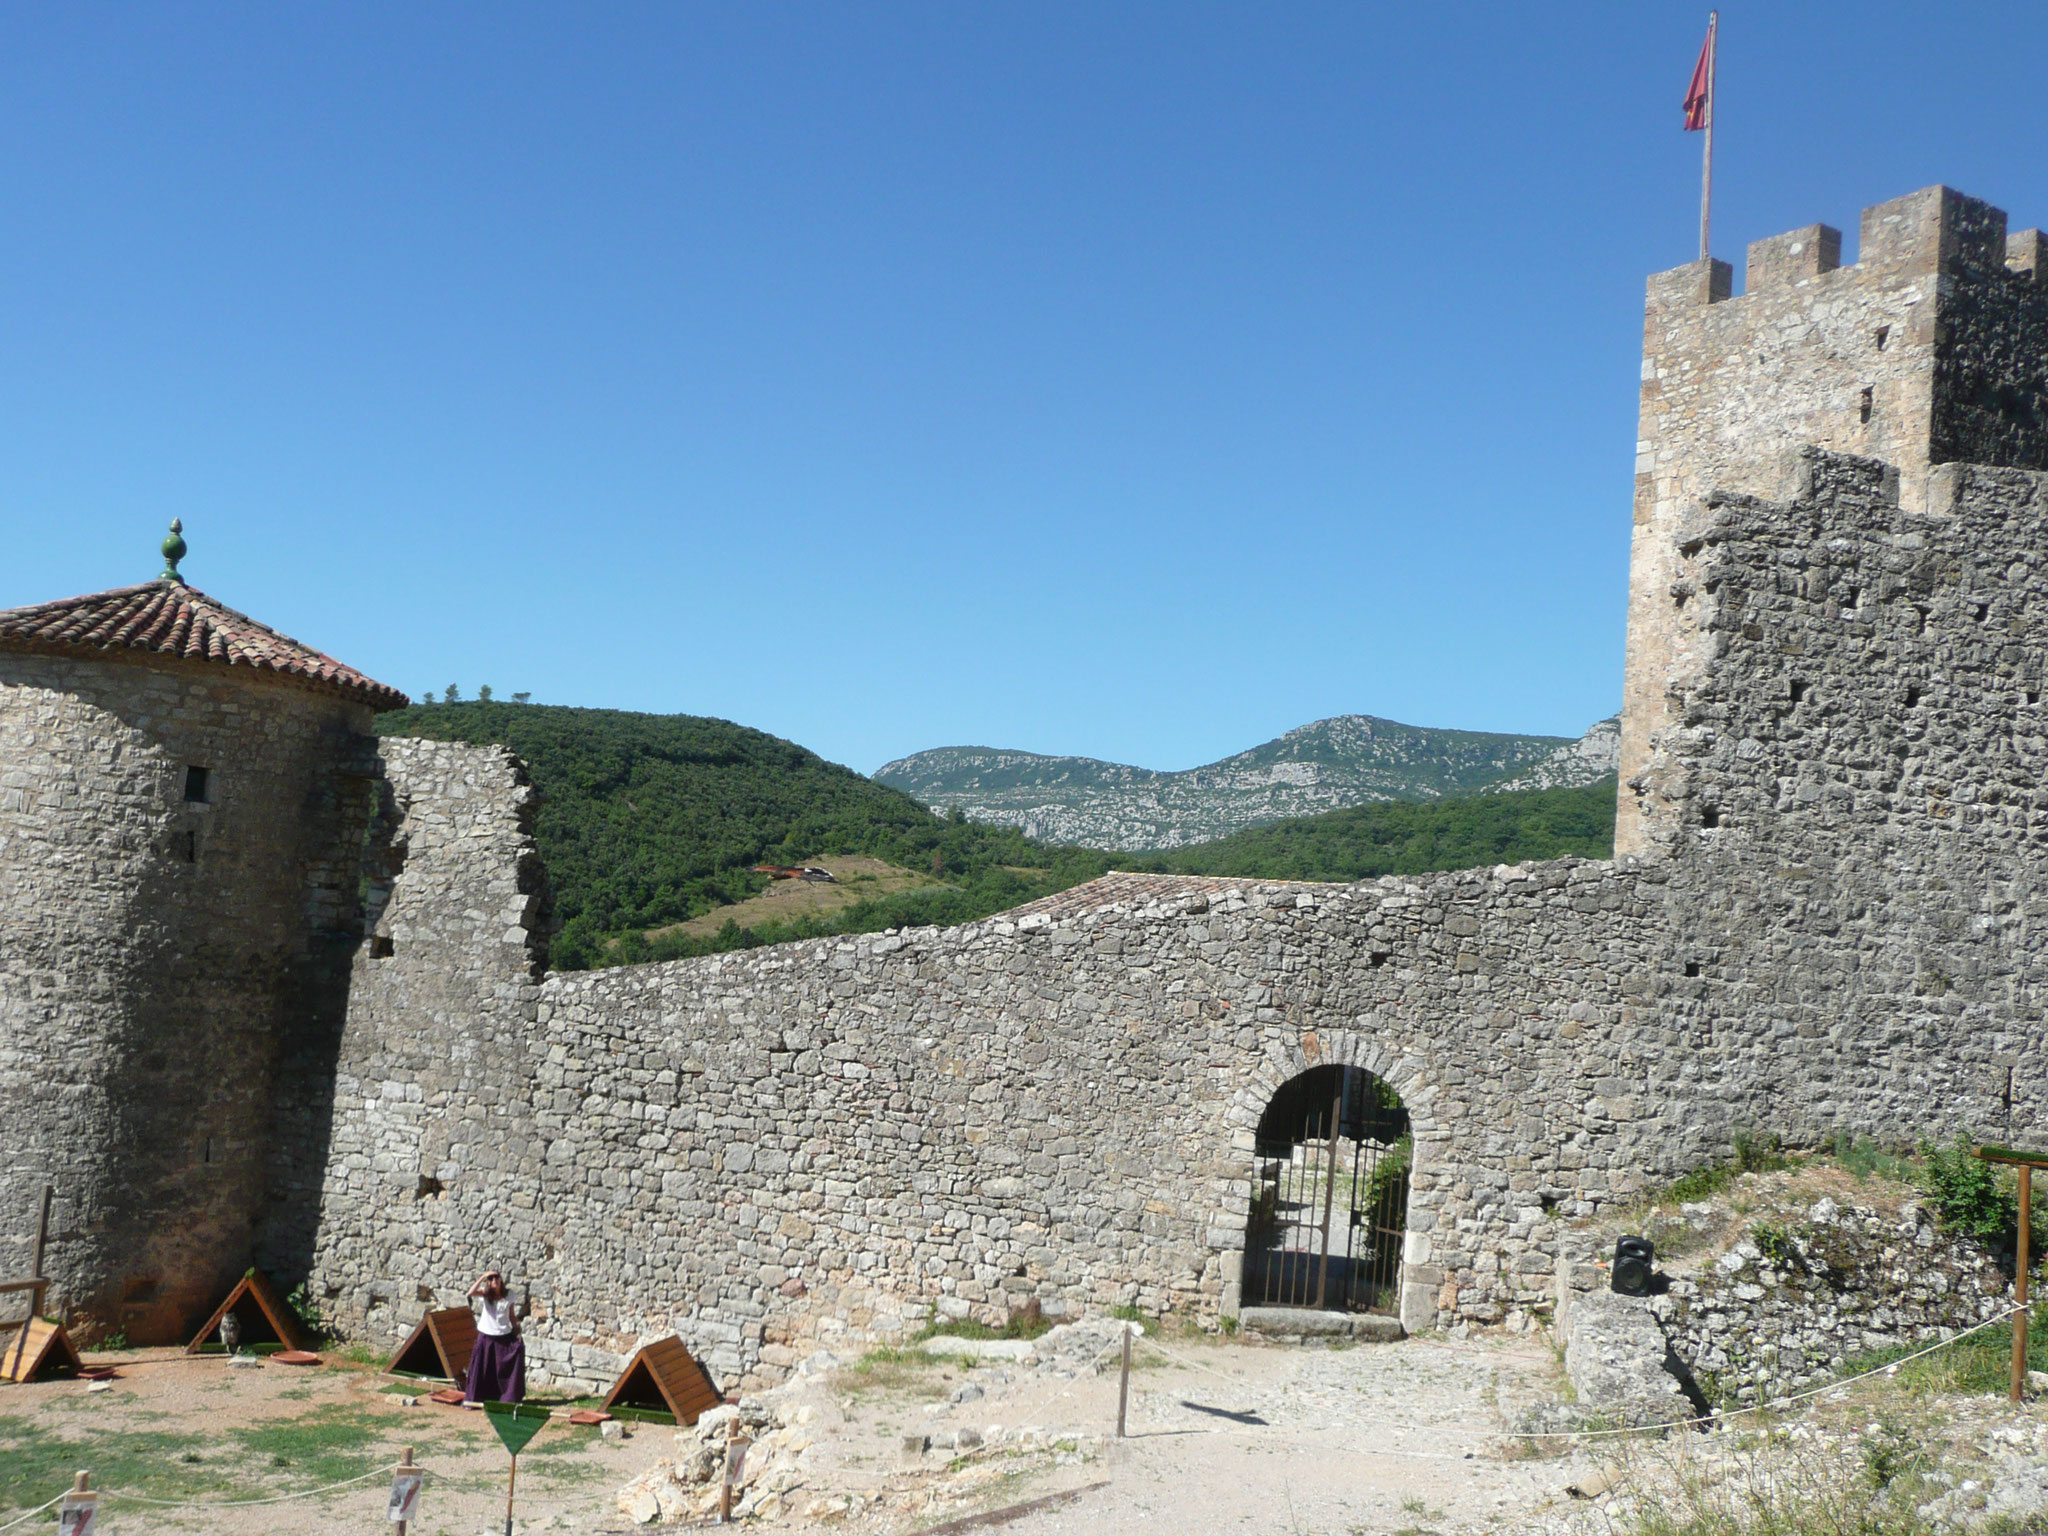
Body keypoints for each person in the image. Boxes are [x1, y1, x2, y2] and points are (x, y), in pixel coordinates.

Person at [463, 1269, 526, 1406]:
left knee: (507, 1365)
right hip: (486, 1336)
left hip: (503, 1336)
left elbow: (511, 1315)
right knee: (481, 1368)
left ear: (501, 1280)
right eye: (491, 1280)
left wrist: (517, 1332)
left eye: (496, 1278)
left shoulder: (509, 1295)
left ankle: (507, 1398)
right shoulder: (486, 1294)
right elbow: (470, 1292)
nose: (494, 1281)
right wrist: (483, 1276)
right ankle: (475, 1399)